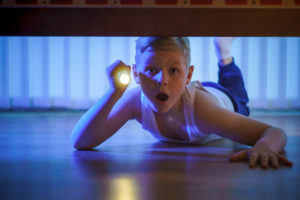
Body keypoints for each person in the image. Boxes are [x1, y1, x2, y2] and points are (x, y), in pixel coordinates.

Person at [71, 37, 293, 169]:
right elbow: (80, 141)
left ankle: (224, 52)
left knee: (238, 95)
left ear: (188, 76)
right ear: (136, 74)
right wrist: (113, 92)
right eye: (151, 70)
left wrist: (264, 147)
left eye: (173, 70)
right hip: (191, 93)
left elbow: (274, 132)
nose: (162, 80)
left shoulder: (204, 112)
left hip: (223, 99)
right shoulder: (135, 101)